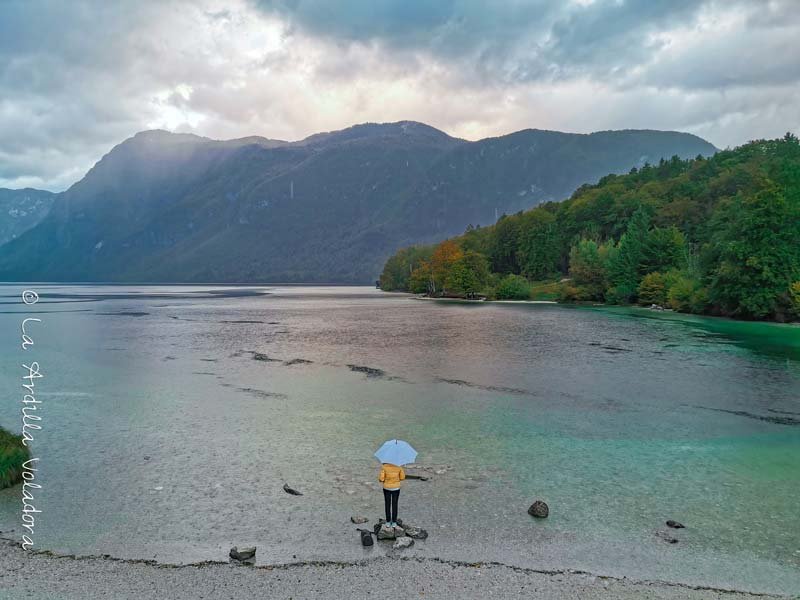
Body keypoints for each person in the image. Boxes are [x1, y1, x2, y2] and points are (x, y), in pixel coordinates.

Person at [379, 462, 405, 527]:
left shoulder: (384, 467)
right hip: (396, 488)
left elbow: (381, 479)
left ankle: (388, 521)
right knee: (395, 504)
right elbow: (402, 477)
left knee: (387, 504)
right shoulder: (399, 466)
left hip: (386, 488)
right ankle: (394, 522)